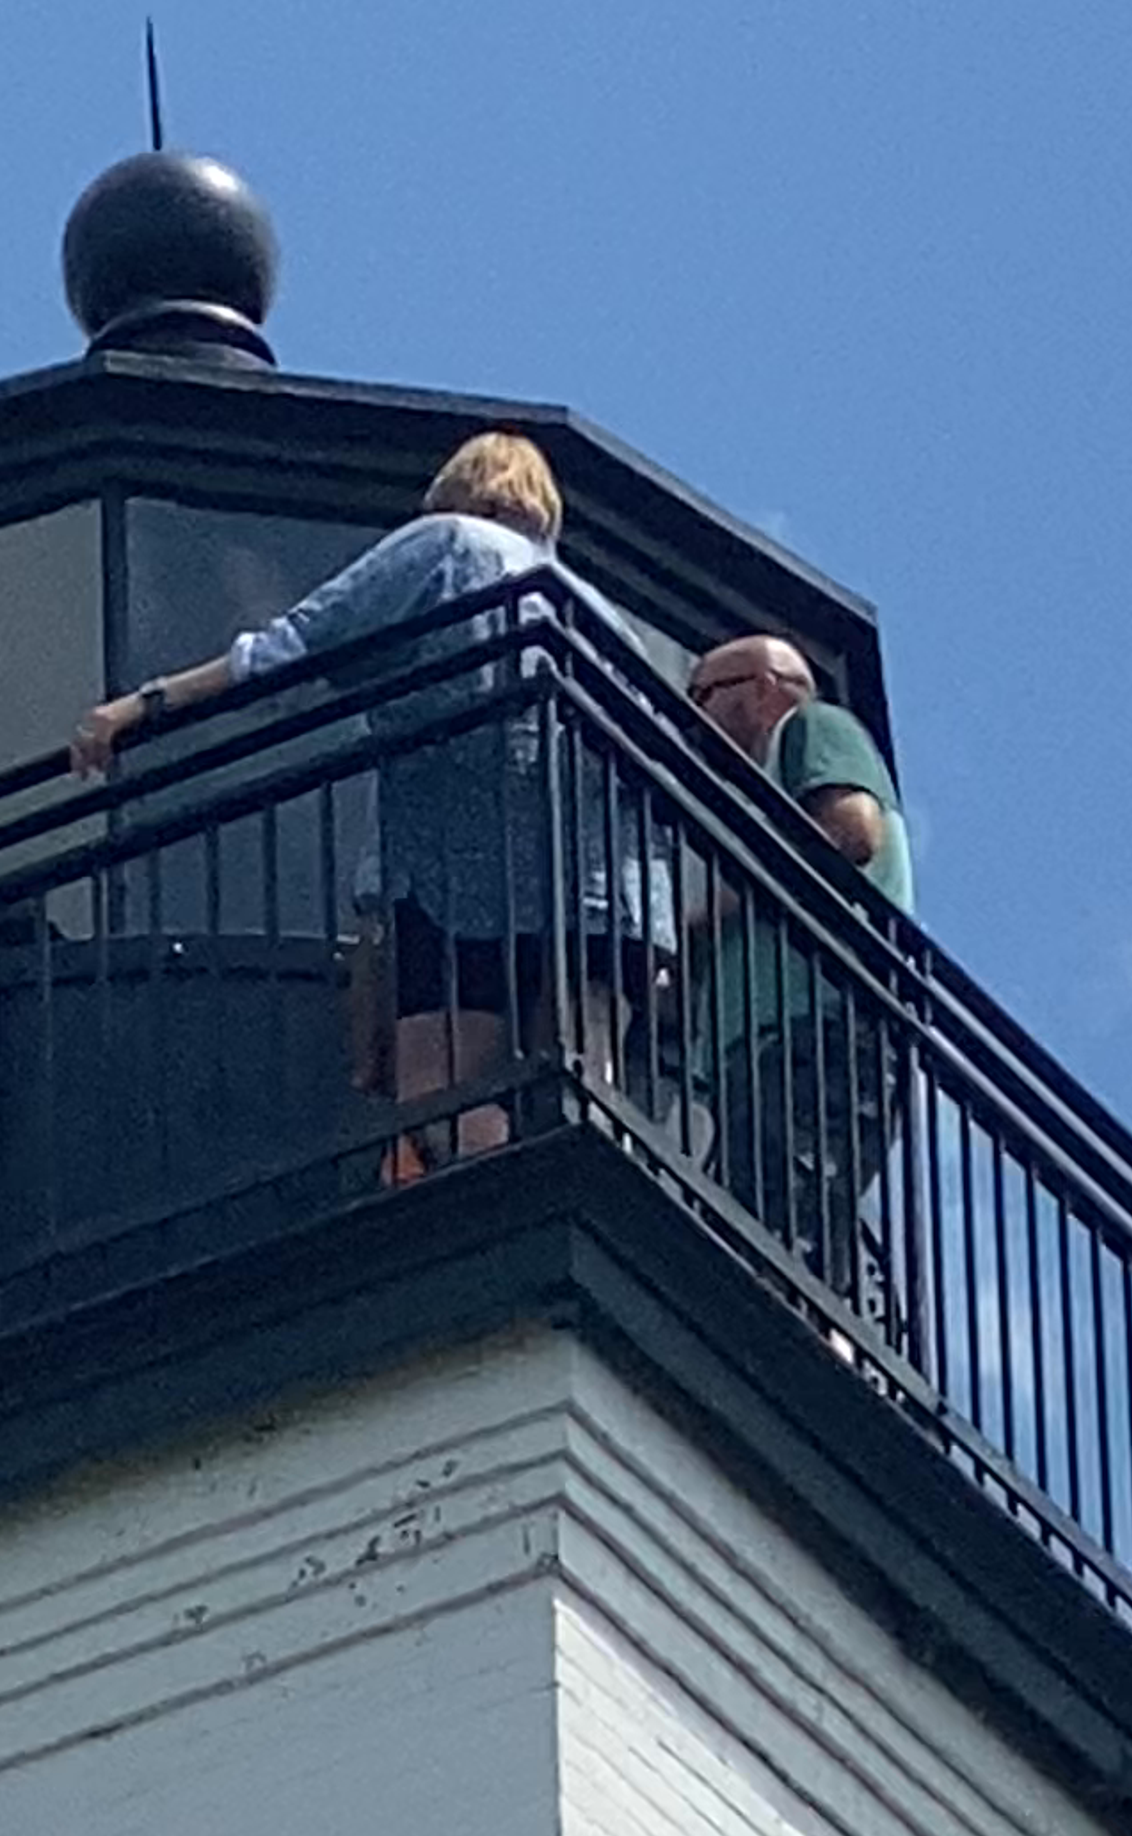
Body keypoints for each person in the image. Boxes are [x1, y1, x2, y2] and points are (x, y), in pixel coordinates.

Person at [75, 435, 647, 1174]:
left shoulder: (445, 543)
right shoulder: (602, 617)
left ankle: (493, 1196)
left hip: (459, 869)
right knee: (584, 1078)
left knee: (436, 1090)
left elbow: (292, 647)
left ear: (460, 491)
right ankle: (589, 1185)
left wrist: (141, 706)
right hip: (600, 889)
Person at [685, 635, 912, 1307]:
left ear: (763, 686)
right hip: (779, 1046)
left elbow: (851, 831)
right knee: (768, 1218)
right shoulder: (760, 802)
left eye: (701, 698)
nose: (691, 724)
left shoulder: (811, 728)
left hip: (822, 1029)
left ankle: (804, 1337)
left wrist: (708, 917)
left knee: (780, 1230)